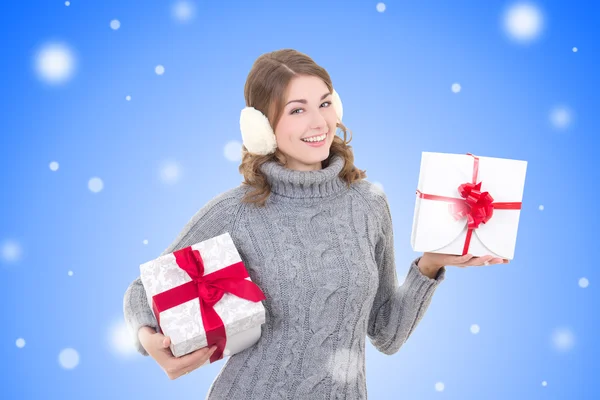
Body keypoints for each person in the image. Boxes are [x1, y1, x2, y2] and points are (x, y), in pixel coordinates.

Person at [123, 48, 508, 399]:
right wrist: (147, 336)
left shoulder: (368, 203)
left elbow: (386, 333)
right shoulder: (236, 210)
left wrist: (431, 264)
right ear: (262, 127)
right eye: (296, 109)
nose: (318, 121)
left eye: (324, 103)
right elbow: (144, 288)